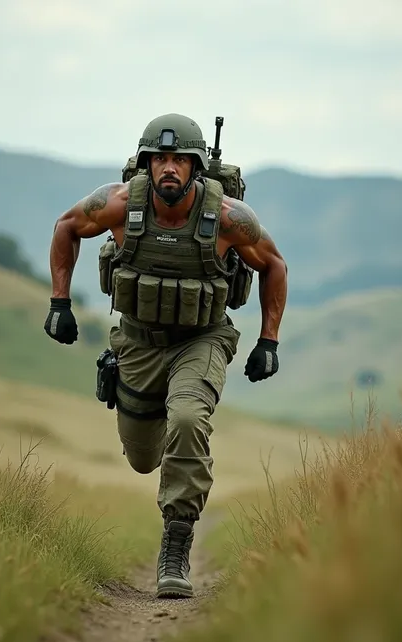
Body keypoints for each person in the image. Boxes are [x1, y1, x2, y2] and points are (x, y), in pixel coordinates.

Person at [44, 113, 288, 599]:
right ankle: (141, 416)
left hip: (202, 339)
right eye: (161, 159)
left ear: (197, 167)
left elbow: (274, 263)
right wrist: (59, 303)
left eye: (180, 159)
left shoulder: (229, 218)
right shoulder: (117, 204)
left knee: (188, 418)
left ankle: (175, 550)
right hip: (137, 342)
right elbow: (67, 226)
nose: (170, 168)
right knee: (141, 458)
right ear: (147, 165)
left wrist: (268, 341)